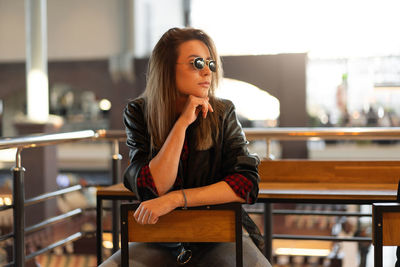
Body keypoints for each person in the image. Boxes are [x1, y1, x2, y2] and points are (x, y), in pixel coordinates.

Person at [100, 27, 271, 267]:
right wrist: (181, 125)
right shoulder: (139, 112)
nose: (206, 72)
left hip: (219, 234)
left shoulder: (223, 112)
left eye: (210, 64)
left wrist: (176, 200)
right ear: (167, 69)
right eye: (196, 63)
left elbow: (245, 184)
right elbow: (154, 186)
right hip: (161, 236)